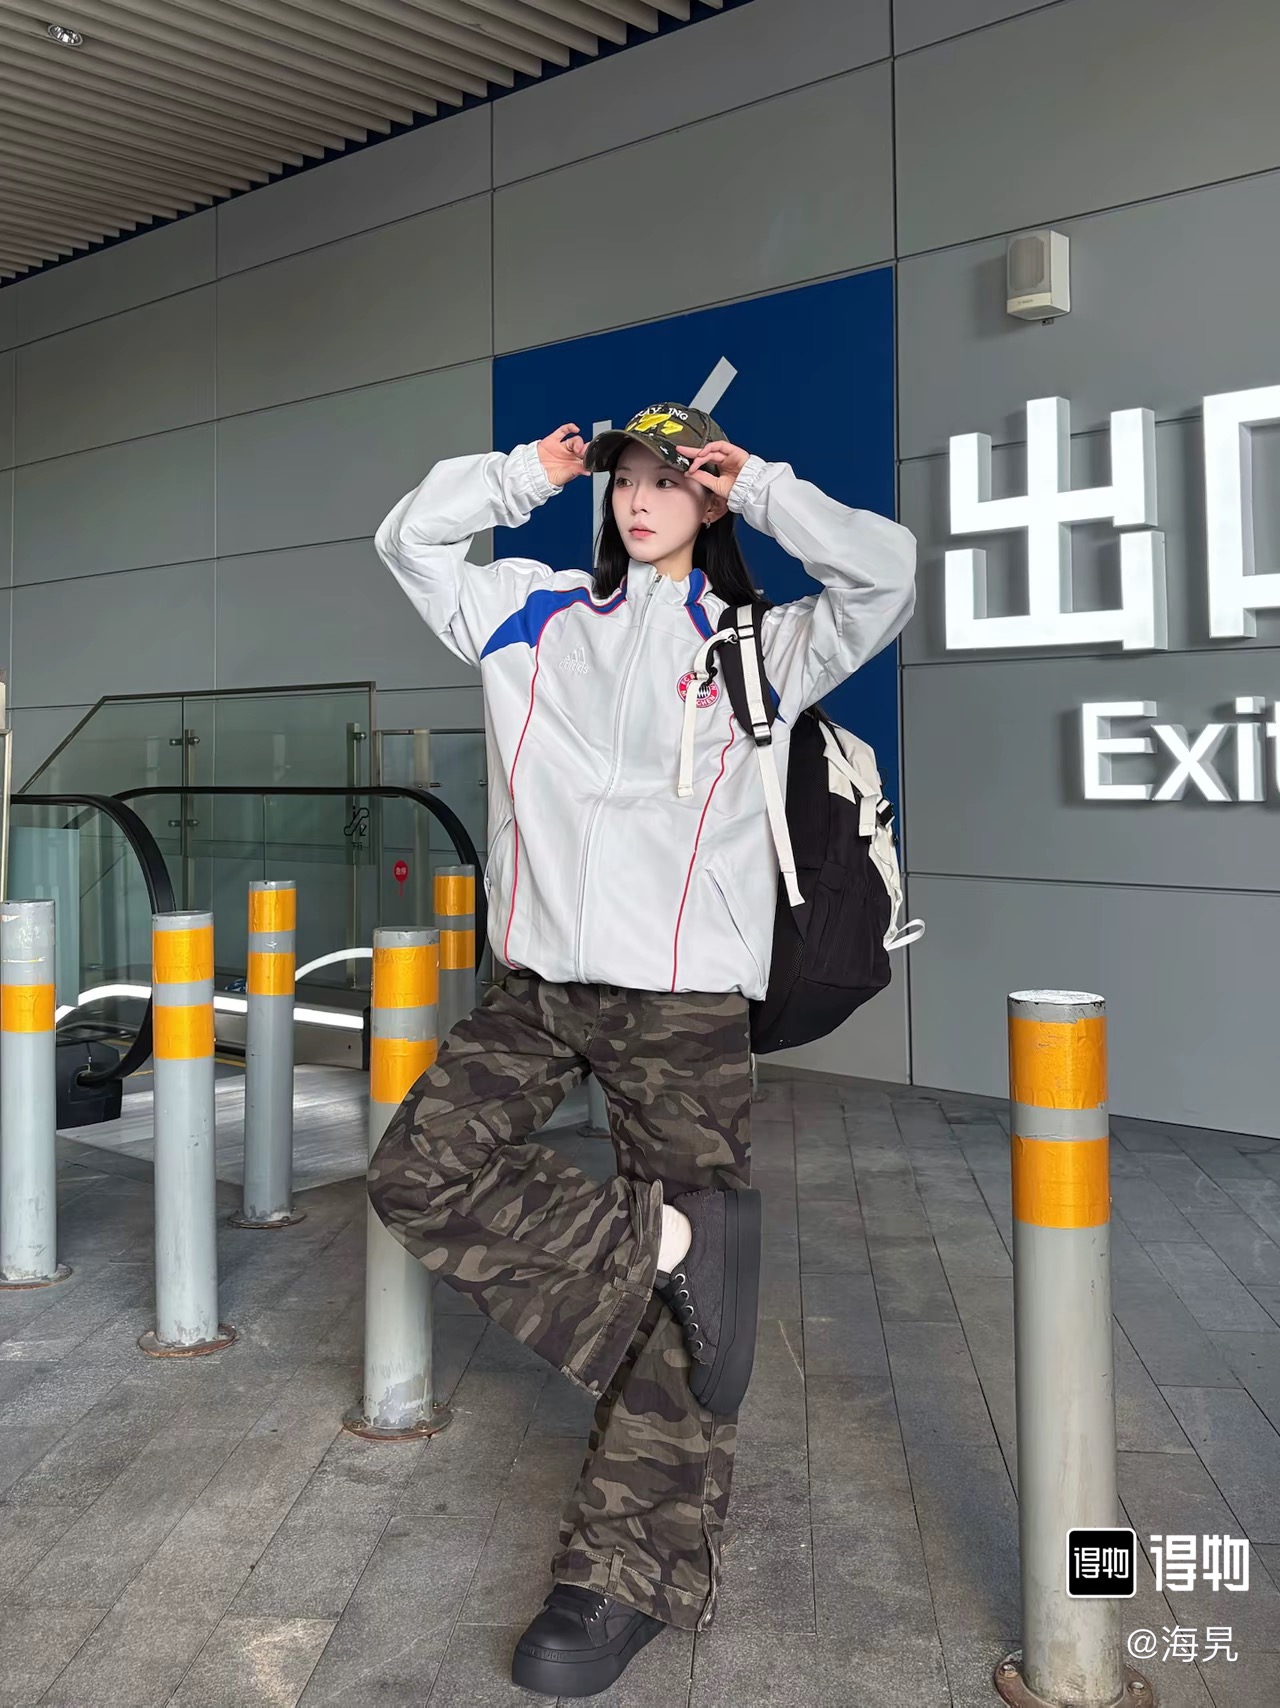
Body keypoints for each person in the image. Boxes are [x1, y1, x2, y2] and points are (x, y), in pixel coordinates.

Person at [367, 403, 916, 1698]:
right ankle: (665, 1261)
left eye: (671, 477)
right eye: (625, 474)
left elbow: (885, 574)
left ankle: (621, 1576)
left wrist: (762, 482)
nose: (639, 494)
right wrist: (520, 475)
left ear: (707, 499)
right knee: (415, 1174)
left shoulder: (754, 644)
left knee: (689, 1316)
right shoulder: (528, 611)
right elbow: (409, 541)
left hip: (682, 1002)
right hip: (537, 983)